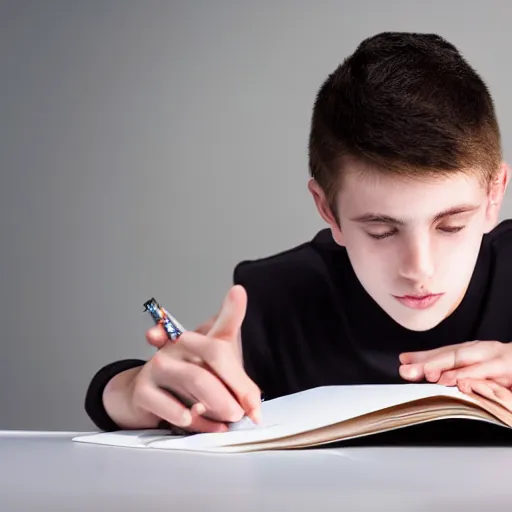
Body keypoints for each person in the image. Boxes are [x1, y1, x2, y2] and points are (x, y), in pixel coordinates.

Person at [85, 31, 512, 435]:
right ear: (328, 209)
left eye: (452, 225)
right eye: (381, 231)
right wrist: (129, 390)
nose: (420, 269)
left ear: (494, 197)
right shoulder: (280, 299)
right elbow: (154, 391)